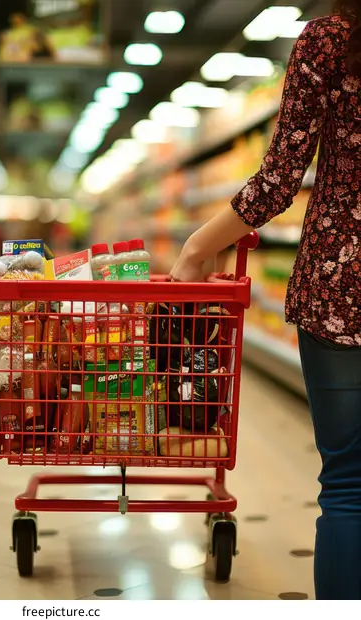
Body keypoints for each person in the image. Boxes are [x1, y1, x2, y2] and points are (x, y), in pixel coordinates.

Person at [170, 5, 361, 600]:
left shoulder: (333, 39)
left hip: (340, 284)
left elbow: (280, 176)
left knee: (350, 486)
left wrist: (198, 250)